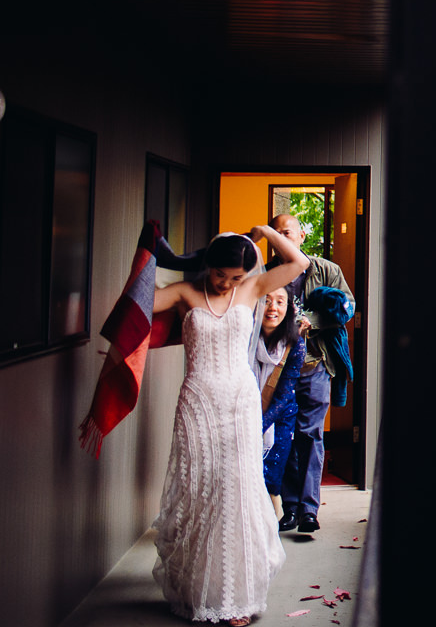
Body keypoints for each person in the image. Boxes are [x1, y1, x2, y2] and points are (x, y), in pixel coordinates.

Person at [149, 225, 306, 626]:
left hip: (239, 403)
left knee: (235, 493)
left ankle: (238, 596)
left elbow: (298, 262)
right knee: (200, 491)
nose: (227, 283)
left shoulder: (252, 289)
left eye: (235, 277)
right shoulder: (186, 292)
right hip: (198, 402)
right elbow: (141, 304)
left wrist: (266, 232)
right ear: (209, 265)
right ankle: (198, 589)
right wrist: (149, 255)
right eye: (221, 275)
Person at [273, 211, 354, 535]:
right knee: (284, 436)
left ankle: (308, 510)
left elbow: (347, 306)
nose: (283, 237)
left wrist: (313, 321)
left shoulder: (326, 270)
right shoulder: (268, 273)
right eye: (277, 233)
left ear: (301, 236)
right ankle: (289, 508)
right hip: (277, 370)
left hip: (315, 365)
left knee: (310, 435)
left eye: (288, 232)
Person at [250, 285, 308, 514]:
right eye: (266, 300)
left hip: (279, 416)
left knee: (270, 477)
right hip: (244, 411)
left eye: (280, 301)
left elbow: (283, 396)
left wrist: (257, 428)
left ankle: (270, 529)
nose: (273, 307)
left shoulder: (295, 346)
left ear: (289, 308)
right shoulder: (243, 339)